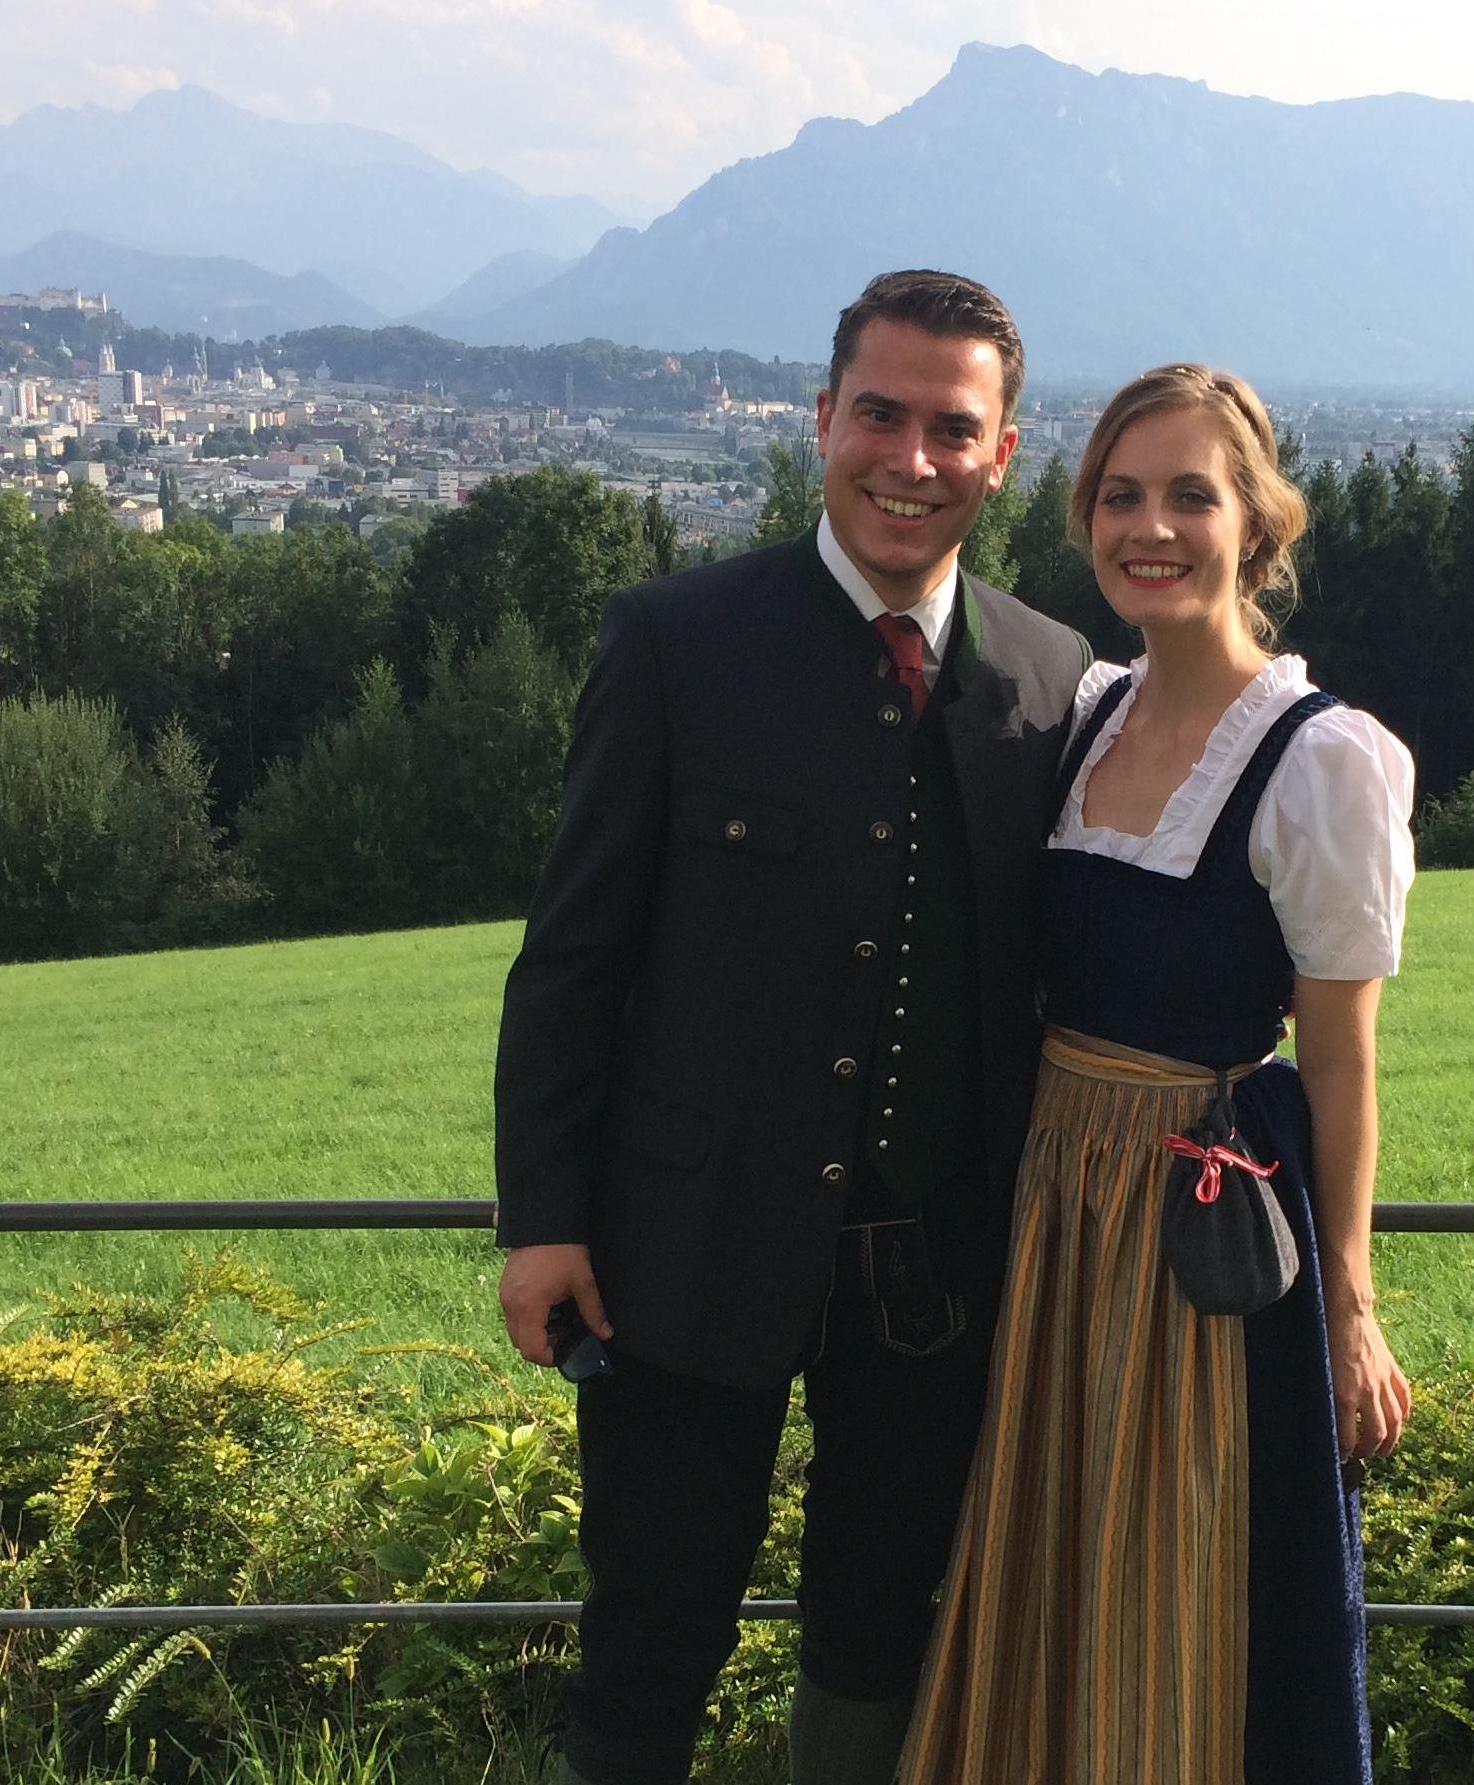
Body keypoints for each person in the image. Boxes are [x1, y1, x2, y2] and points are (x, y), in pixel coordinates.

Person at [492, 269, 1095, 1785]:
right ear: (822, 418)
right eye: (880, 415)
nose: (911, 459)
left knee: (883, 1631)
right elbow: (571, 960)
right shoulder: (676, 641)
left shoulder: (1052, 676)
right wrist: (543, 1219)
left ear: (1003, 453)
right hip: (682, 1249)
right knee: (652, 1627)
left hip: (937, 1271)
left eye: (952, 429)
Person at [900, 364, 1417, 1784]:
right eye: (1120, 496)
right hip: (1052, 1205)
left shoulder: (1322, 761)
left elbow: (1342, 1057)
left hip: (1197, 1223)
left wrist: (1352, 1303)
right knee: (1047, 1567)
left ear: (1256, 523)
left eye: (1192, 495)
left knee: (1179, 1578)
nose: (1152, 528)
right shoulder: (1086, 711)